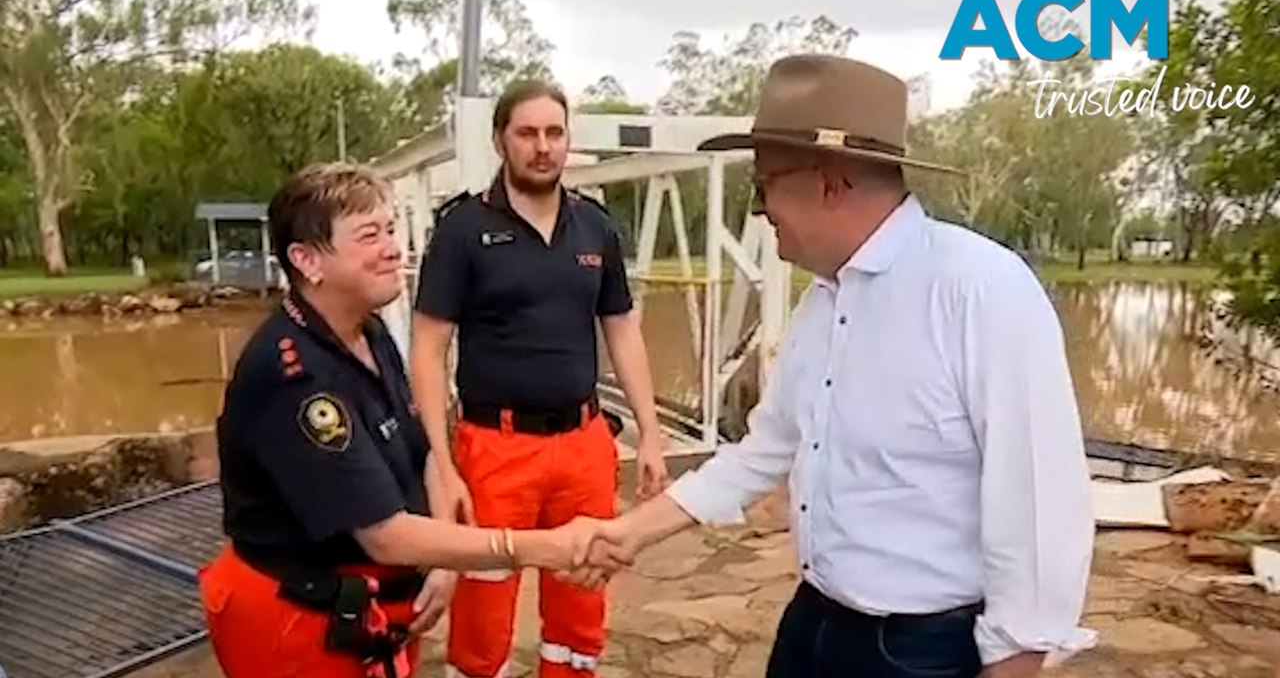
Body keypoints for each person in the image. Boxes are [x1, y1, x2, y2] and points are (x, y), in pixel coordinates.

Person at [573, 55, 1097, 677]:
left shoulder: (980, 291)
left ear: (826, 181)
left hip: (920, 650)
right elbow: (763, 451)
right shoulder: (824, 302)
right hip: (815, 623)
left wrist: (1015, 661)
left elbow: (1038, 506)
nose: (761, 209)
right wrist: (632, 530)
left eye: (763, 184)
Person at [199, 163, 626, 678]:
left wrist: (445, 559)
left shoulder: (368, 332)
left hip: (366, 611)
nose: (392, 249)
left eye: (390, 229)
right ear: (307, 260)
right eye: (368, 236)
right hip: (296, 621)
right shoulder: (296, 377)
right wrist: (541, 547)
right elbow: (385, 535)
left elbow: (419, 446)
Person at [410, 79, 667, 678]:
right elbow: (428, 349)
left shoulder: (595, 228)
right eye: (527, 133)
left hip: (583, 446)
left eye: (554, 133)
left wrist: (650, 433)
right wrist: (443, 466)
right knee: (483, 616)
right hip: (494, 449)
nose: (543, 147)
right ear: (502, 140)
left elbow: (622, 329)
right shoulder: (463, 229)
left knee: (582, 606)